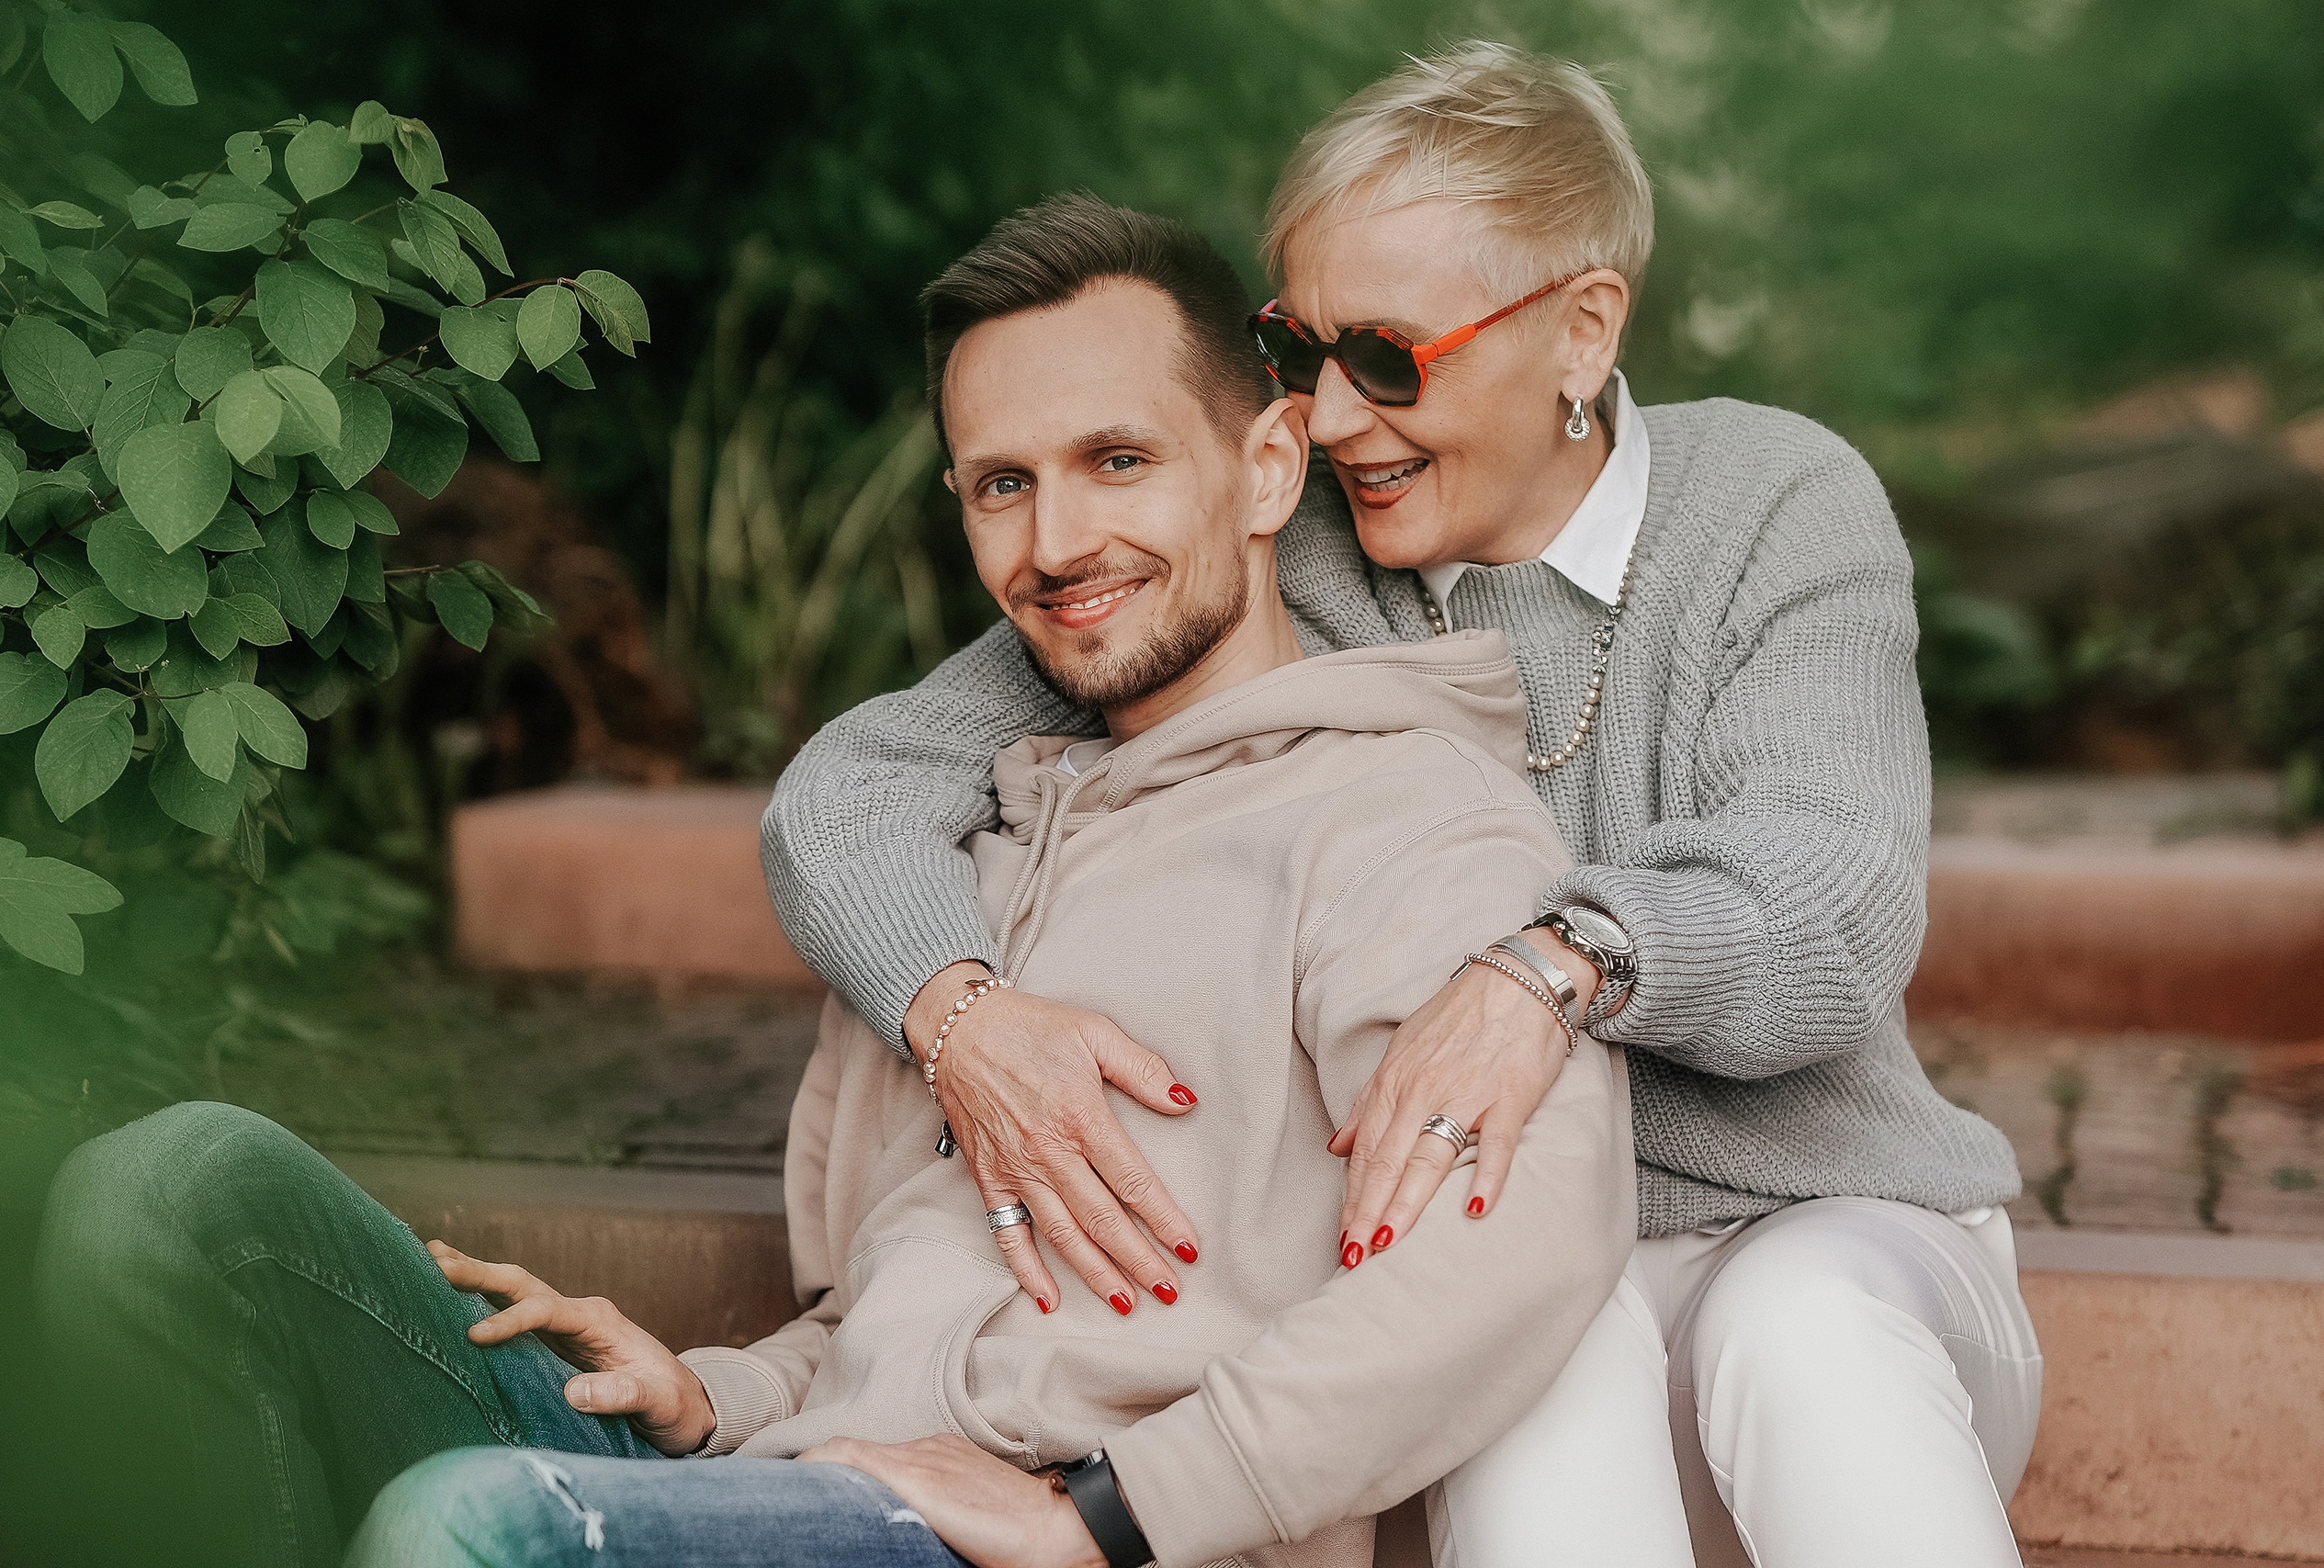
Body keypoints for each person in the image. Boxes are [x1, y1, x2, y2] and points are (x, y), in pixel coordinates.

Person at [38, 196, 1635, 1568]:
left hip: (1048, 1535)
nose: (1057, 539)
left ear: (1271, 465)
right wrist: (721, 1394)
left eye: (1118, 460)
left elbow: (1520, 1244)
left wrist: (1119, 1508)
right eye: (1002, 484)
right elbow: (906, 1304)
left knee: (479, 1530)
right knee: (174, 1190)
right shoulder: (972, 852)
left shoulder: (1403, 816)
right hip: (800, 1480)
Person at [759, 43, 2042, 1568]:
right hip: (1506, 1267)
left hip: (1843, 1228)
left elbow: (1833, 892)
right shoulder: (1281, 546)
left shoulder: (1771, 499)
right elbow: (854, 787)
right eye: (1298, 351)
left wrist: (1550, 970)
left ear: (1582, 330)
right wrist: (958, 1016)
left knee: (1800, 1326)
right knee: (1529, 1375)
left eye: (1389, 357)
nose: (1336, 417)